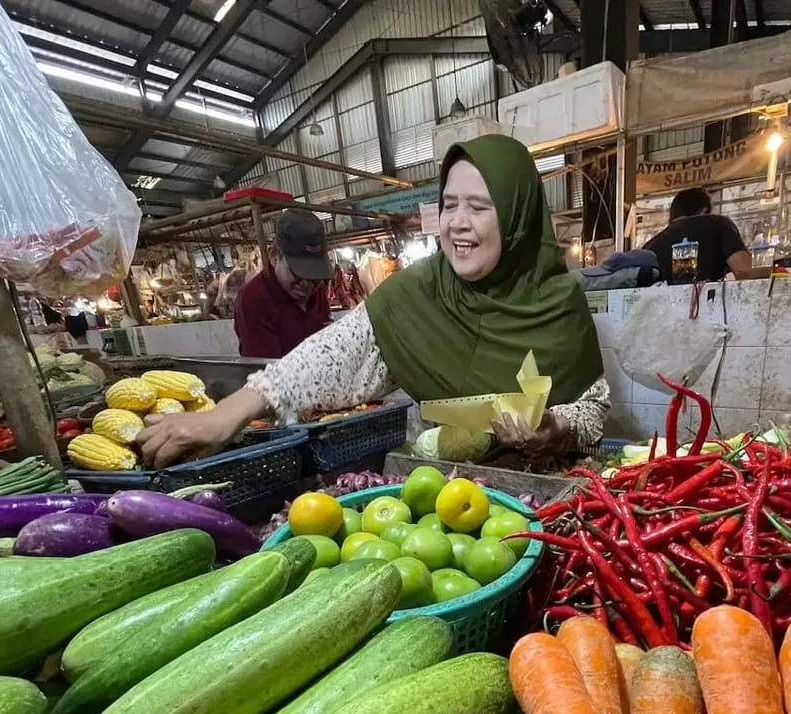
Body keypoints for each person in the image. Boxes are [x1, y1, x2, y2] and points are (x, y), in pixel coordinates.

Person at [137, 134, 609, 469]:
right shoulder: (416, 293)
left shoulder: (560, 302)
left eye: (480, 207)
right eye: (449, 204)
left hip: (553, 500)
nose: (457, 223)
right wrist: (225, 415)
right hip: (451, 501)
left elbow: (593, 410)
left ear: (518, 216)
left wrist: (555, 424)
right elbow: (332, 353)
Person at [233, 209, 333, 358]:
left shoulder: (316, 289)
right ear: (274, 257)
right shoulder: (253, 299)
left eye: (314, 275)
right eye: (297, 272)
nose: (306, 283)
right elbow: (265, 371)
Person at [642, 187, 752, 283]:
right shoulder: (719, 224)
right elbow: (743, 270)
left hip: (662, 305)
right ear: (704, 210)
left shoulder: (651, 246)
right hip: (709, 303)